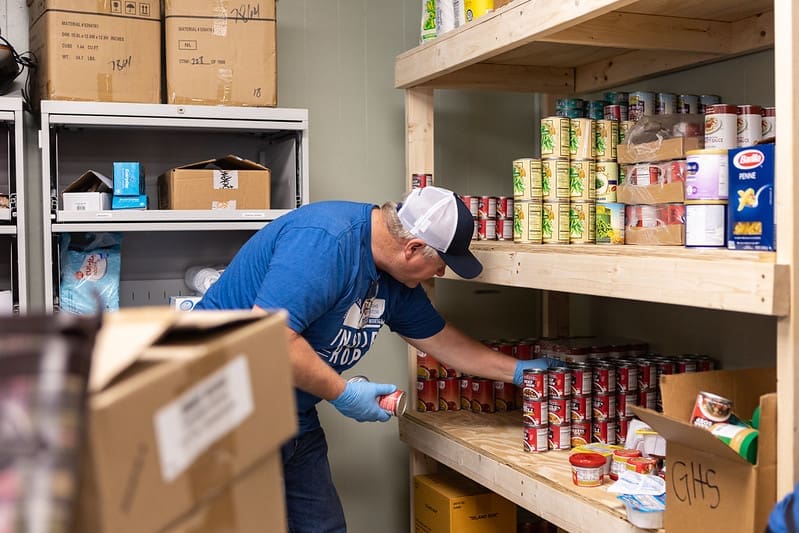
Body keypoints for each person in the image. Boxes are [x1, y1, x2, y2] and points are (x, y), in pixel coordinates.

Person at [195, 186, 561, 533]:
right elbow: (272, 338)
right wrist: (341, 393)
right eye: (440, 264)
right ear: (413, 248)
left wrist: (517, 372)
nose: (441, 274)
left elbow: (443, 342)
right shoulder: (325, 241)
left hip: (291, 413)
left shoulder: (395, 279)